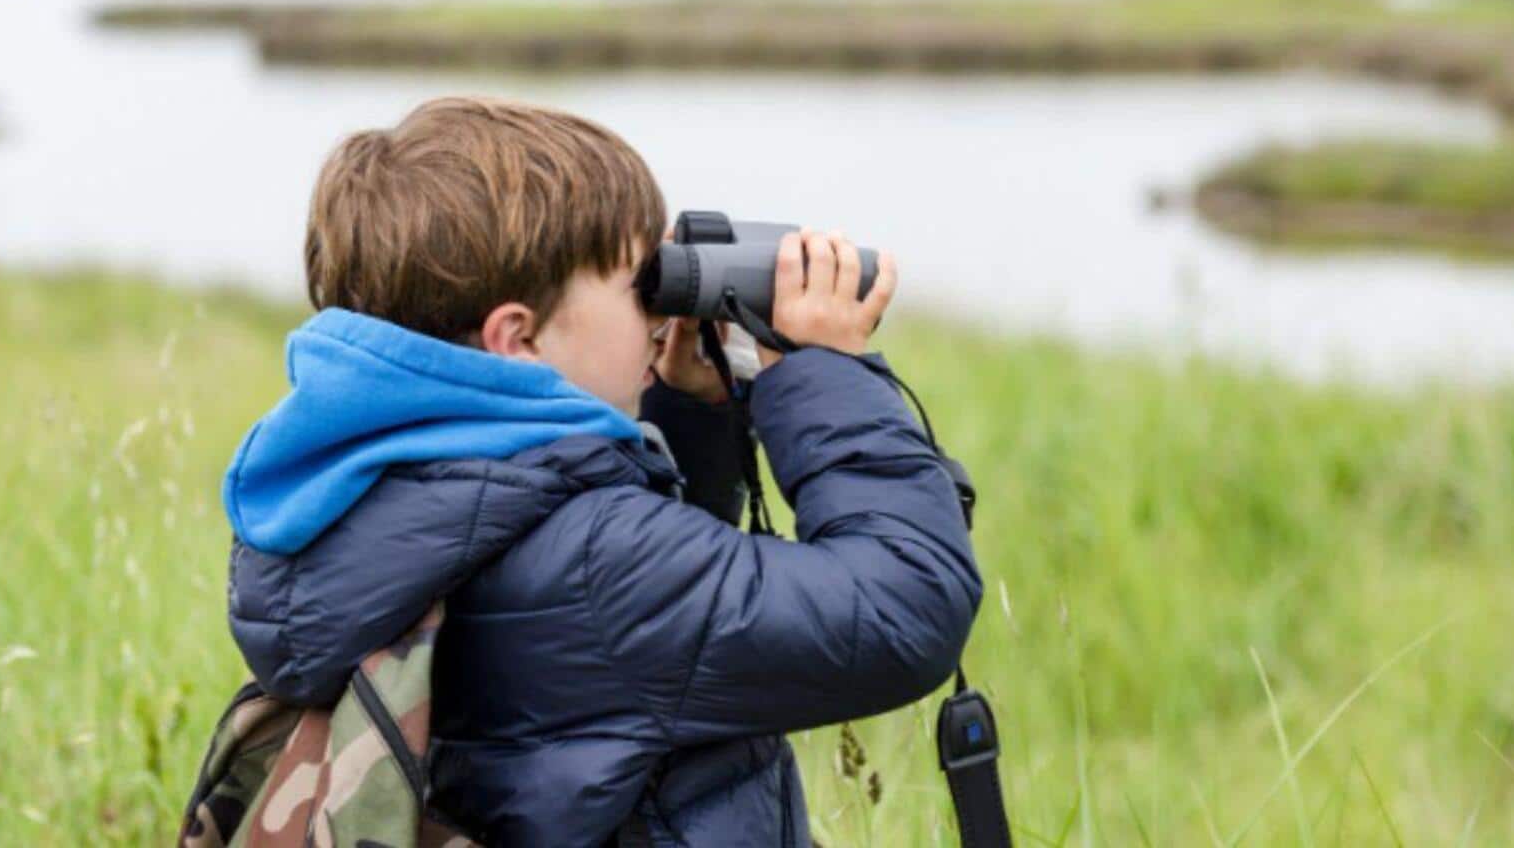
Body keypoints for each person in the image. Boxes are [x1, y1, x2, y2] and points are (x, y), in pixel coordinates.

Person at [222, 96, 981, 845]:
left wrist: (693, 412)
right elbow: (905, 606)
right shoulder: (599, 558)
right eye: (636, 284)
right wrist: (820, 372)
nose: (658, 311)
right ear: (517, 338)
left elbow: (637, 636)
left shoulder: (382, 496)